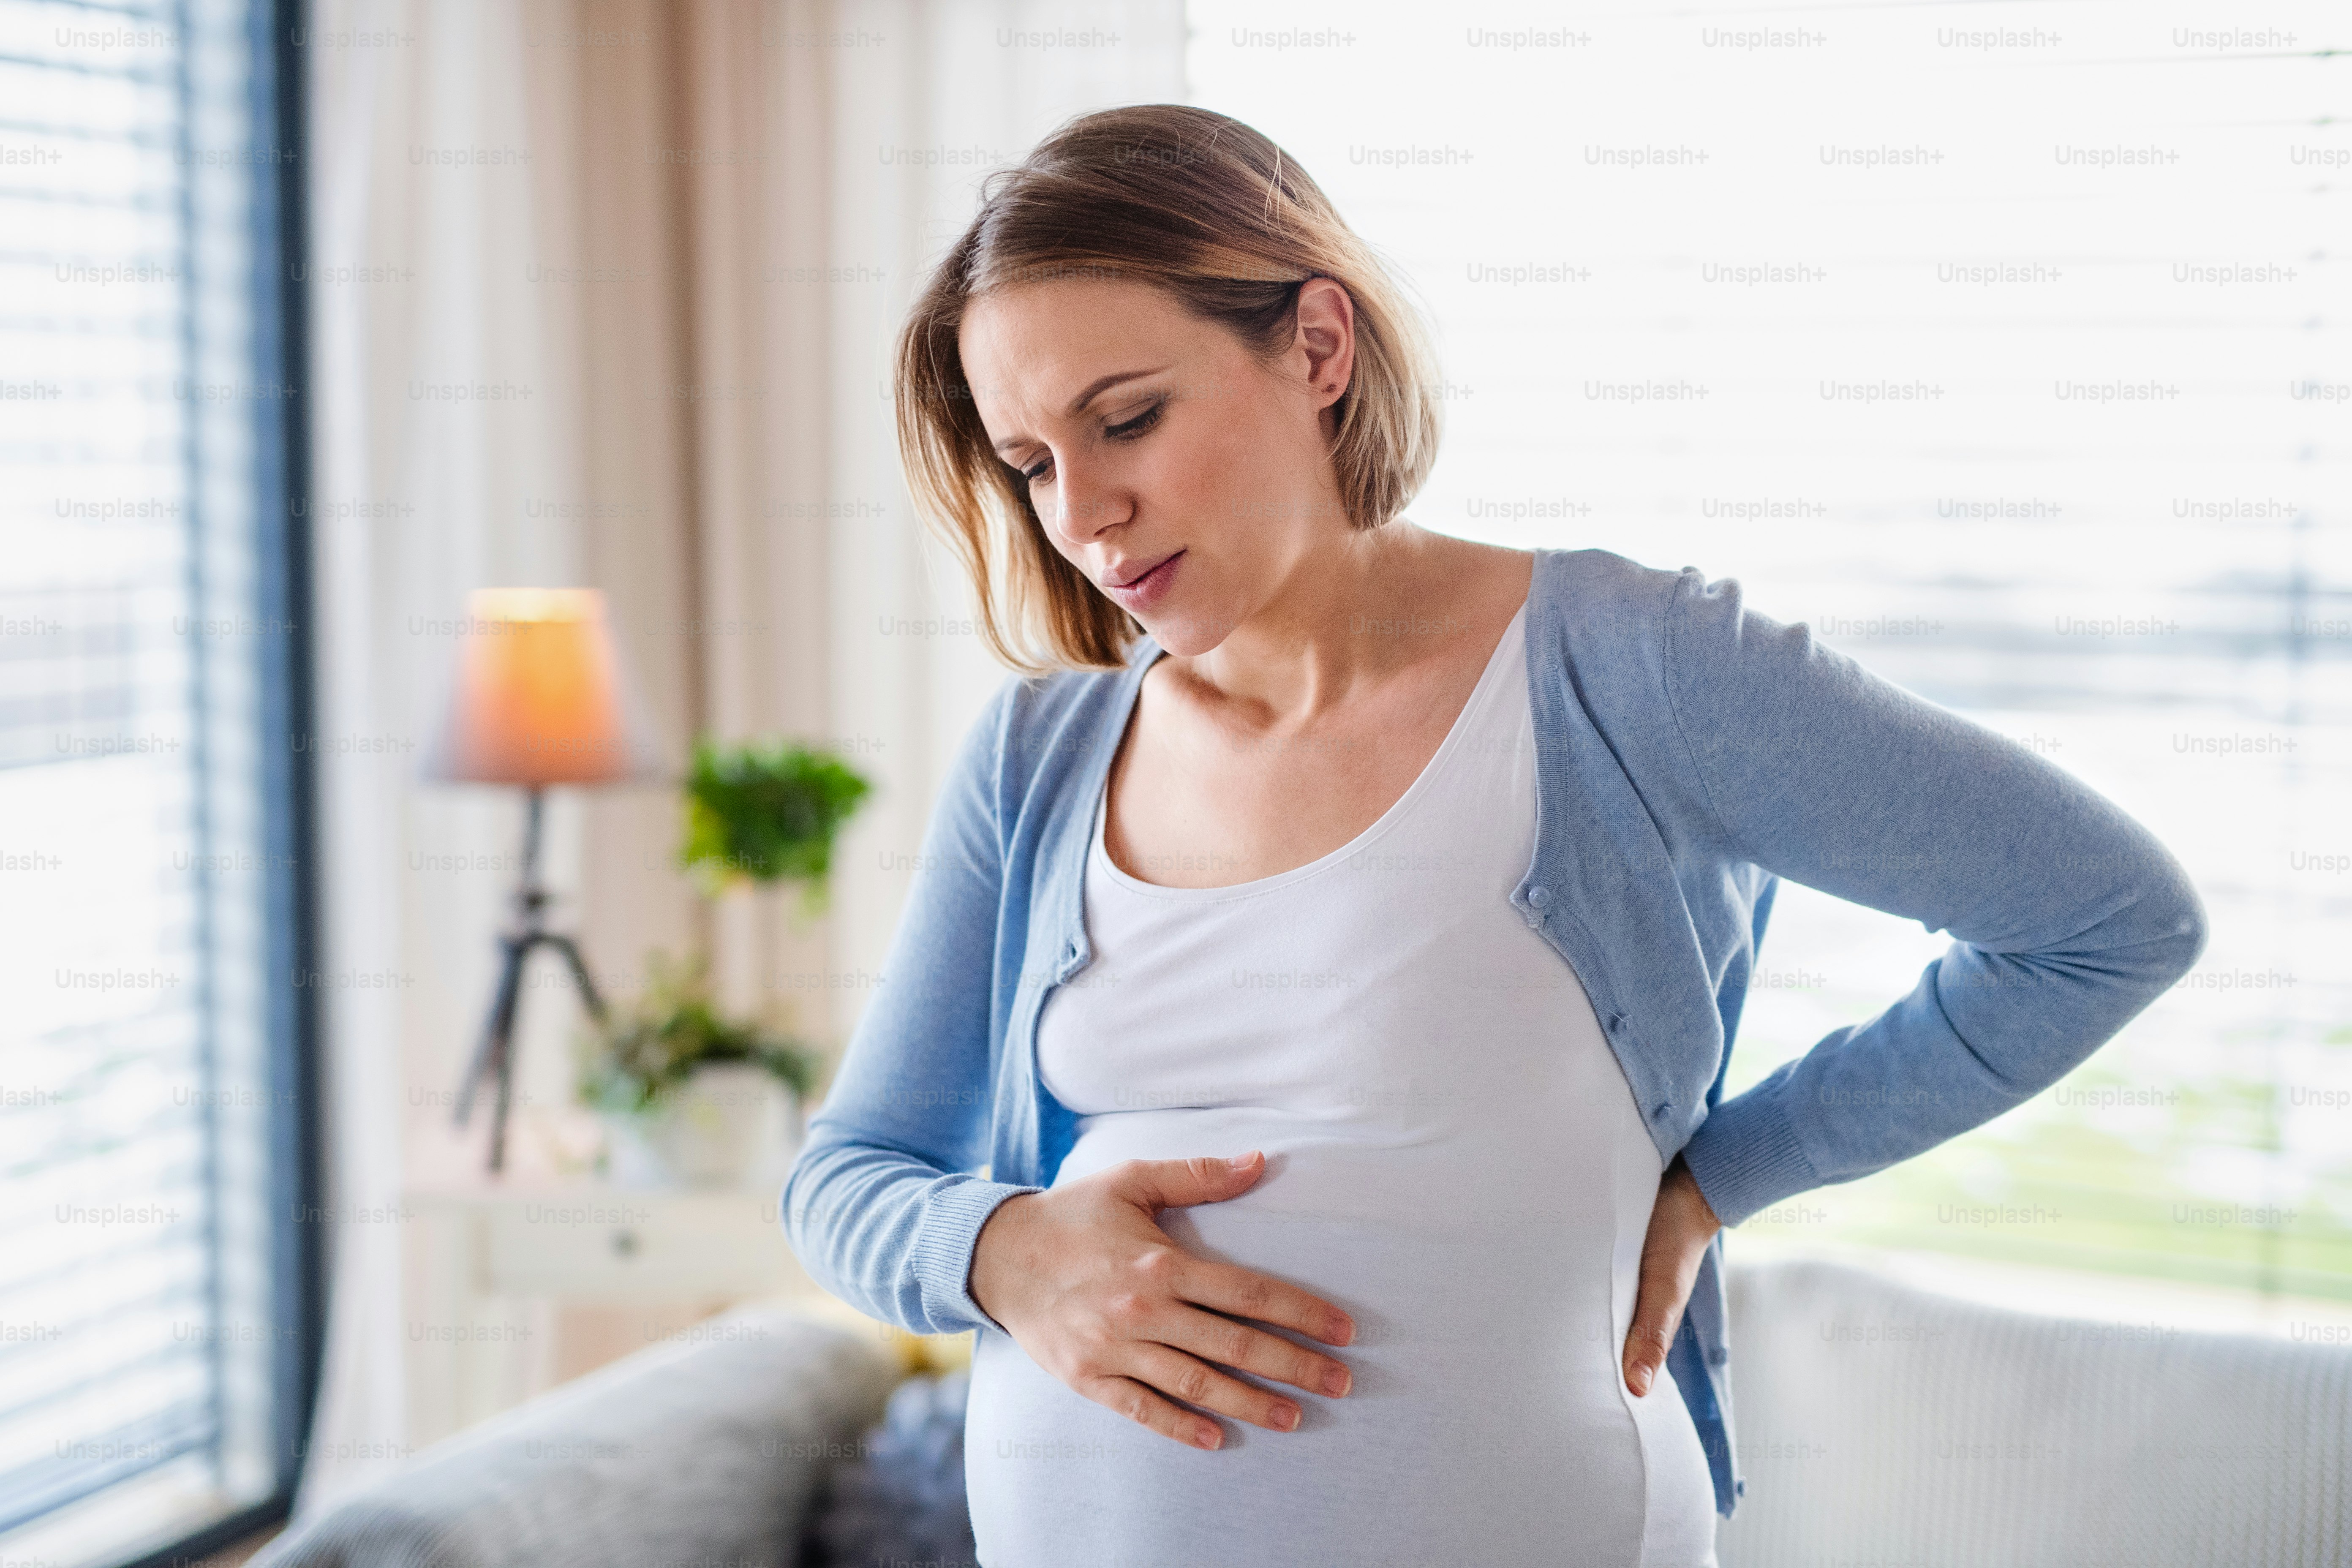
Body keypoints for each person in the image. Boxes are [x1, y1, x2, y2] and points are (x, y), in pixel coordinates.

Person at [783, 103, 2206, 1568]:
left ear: (1318, 348)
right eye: (1028, 464)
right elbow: (848, 1177)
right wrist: (1002, 1252)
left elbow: (2107, 920)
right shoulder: (1041, 755)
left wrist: (1729, 1172)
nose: (1082, 513)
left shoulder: (1633, 669)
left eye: (1127, 417)